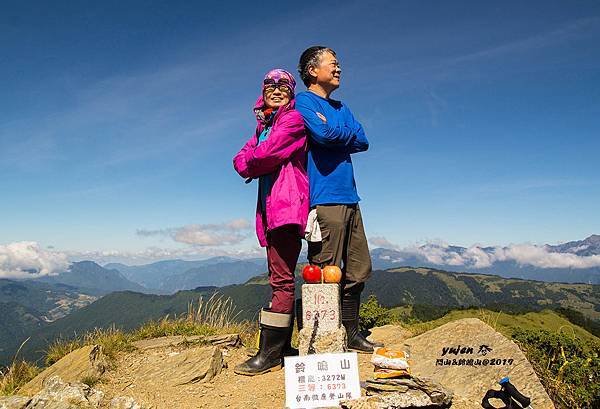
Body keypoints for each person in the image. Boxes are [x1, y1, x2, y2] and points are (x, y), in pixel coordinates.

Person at [296, 46, 380, 353]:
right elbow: (324, 135)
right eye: (334, 64)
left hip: (350, 197)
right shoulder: (302, 101)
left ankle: (351, 333)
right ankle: (318, 339)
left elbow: (363, 140)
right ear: (312, 71)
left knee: (358, 270)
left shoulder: (342, 106)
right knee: (324, 272)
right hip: (325, 199)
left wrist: (335, 129)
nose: (339, 69)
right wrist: (338, 132)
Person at [232, 69, 309, 375]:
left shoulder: (292, 121)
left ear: (291, 92)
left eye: (284, 87)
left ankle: (271, 354)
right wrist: (254, 159)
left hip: (286, 209)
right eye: (269, 85)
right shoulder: (263, 126)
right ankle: (282, 347)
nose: (276, 90)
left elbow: (263, 155)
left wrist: (254, 160)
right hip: (273, 209)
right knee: (281, 276)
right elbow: (241, 159)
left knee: (281, 279)